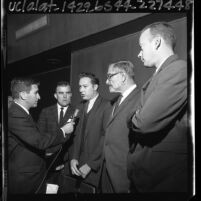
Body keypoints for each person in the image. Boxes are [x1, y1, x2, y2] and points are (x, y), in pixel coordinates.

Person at [128, 22, 189, 193]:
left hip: (163, 178)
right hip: (149, 176)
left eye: (142, 46)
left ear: (156, 42)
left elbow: (144, 122)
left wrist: (134, 116)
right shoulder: (163, 73)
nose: (139, 54)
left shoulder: (179, 69)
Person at [8, 77, 75, 194]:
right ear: (23, 95)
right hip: (25, 178)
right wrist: (63, 131)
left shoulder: (22, 113)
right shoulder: (15, 114)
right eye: (36, 93)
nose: (39, 97)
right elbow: (39, 141)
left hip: (33, 173)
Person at [101, 61, 140, 193]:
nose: (107, 82)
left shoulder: (142, 98)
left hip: (126, 178)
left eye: (110, 76)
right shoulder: (116, 101)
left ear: (123, 76)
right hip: (108, 173)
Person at [69, 72, 110, 193]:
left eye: (85, 86)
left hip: (95, 166)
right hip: (78, 164)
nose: (81, 90)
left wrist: (90, 165)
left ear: (95, 87)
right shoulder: (80, 106)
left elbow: (106, 137)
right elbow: (75, 136)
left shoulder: (107, 105)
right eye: (80, 86)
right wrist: (74, 158)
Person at [37, 81, 75, 186]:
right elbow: (40, 137)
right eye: (61, 93)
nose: (64, 96)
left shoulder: (77, 112)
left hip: (68, 163)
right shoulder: (46, 112)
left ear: (71, 94)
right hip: (48, 162)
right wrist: (48, 155)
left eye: (67, 92)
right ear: (55, 95)